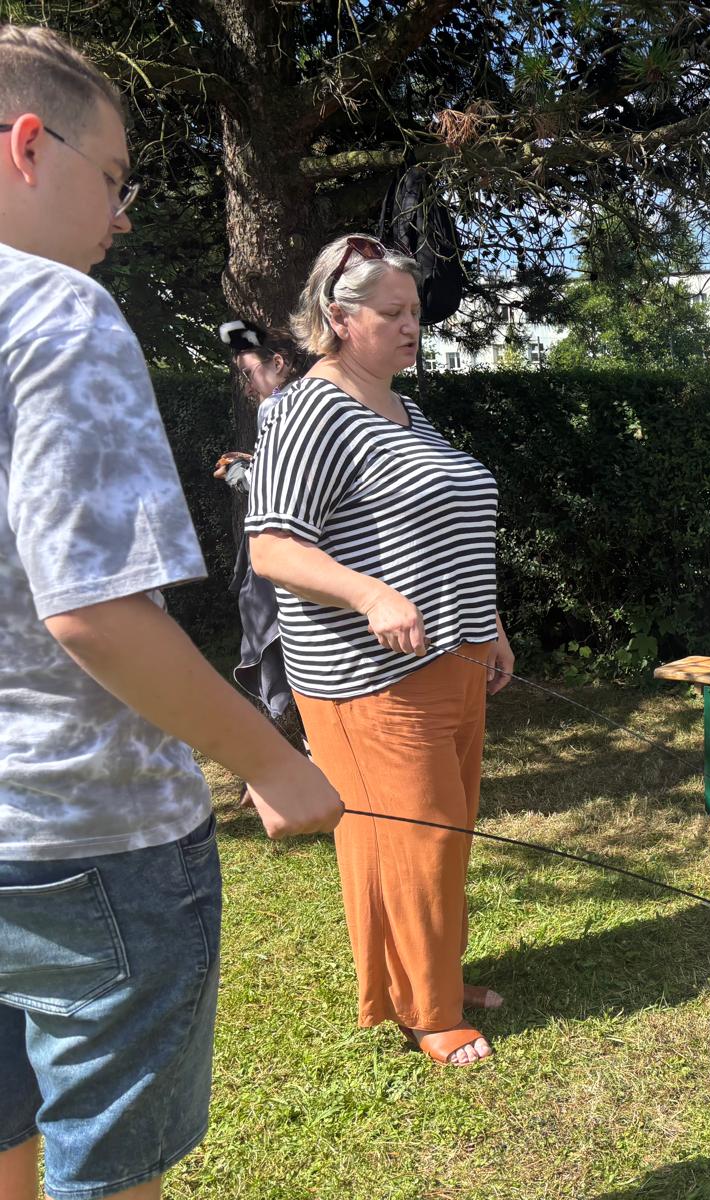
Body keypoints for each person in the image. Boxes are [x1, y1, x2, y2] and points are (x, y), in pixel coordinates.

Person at [0, 24, 343, 1200]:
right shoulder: (58, 311)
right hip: (84, 845)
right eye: (113, 179)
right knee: (106, 1174)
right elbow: (93, 610)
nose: (122, 217)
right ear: (27, 145)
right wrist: (274, 761)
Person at [247, 233, 515, 1067]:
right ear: (339, 317)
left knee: (445, 830)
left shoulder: (405, 410)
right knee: (414, 837)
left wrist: (489, 623)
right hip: (369, 678)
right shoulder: (307, 409)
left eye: (415, 312)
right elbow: (272, 546)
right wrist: (369, 594)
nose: (412, 327)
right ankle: (427, 1011)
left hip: (452, 658)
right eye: (393, 313)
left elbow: (444, 532)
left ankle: (431, 973)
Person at [212, 322, 304, 735]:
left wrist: (238, 473)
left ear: (278, 363)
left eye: (249, 373)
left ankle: (292, 729)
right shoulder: (308, 401)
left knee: (277, 640)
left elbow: (273, 489)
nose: (247, 387)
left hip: (285, 547)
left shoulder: (277, 406)